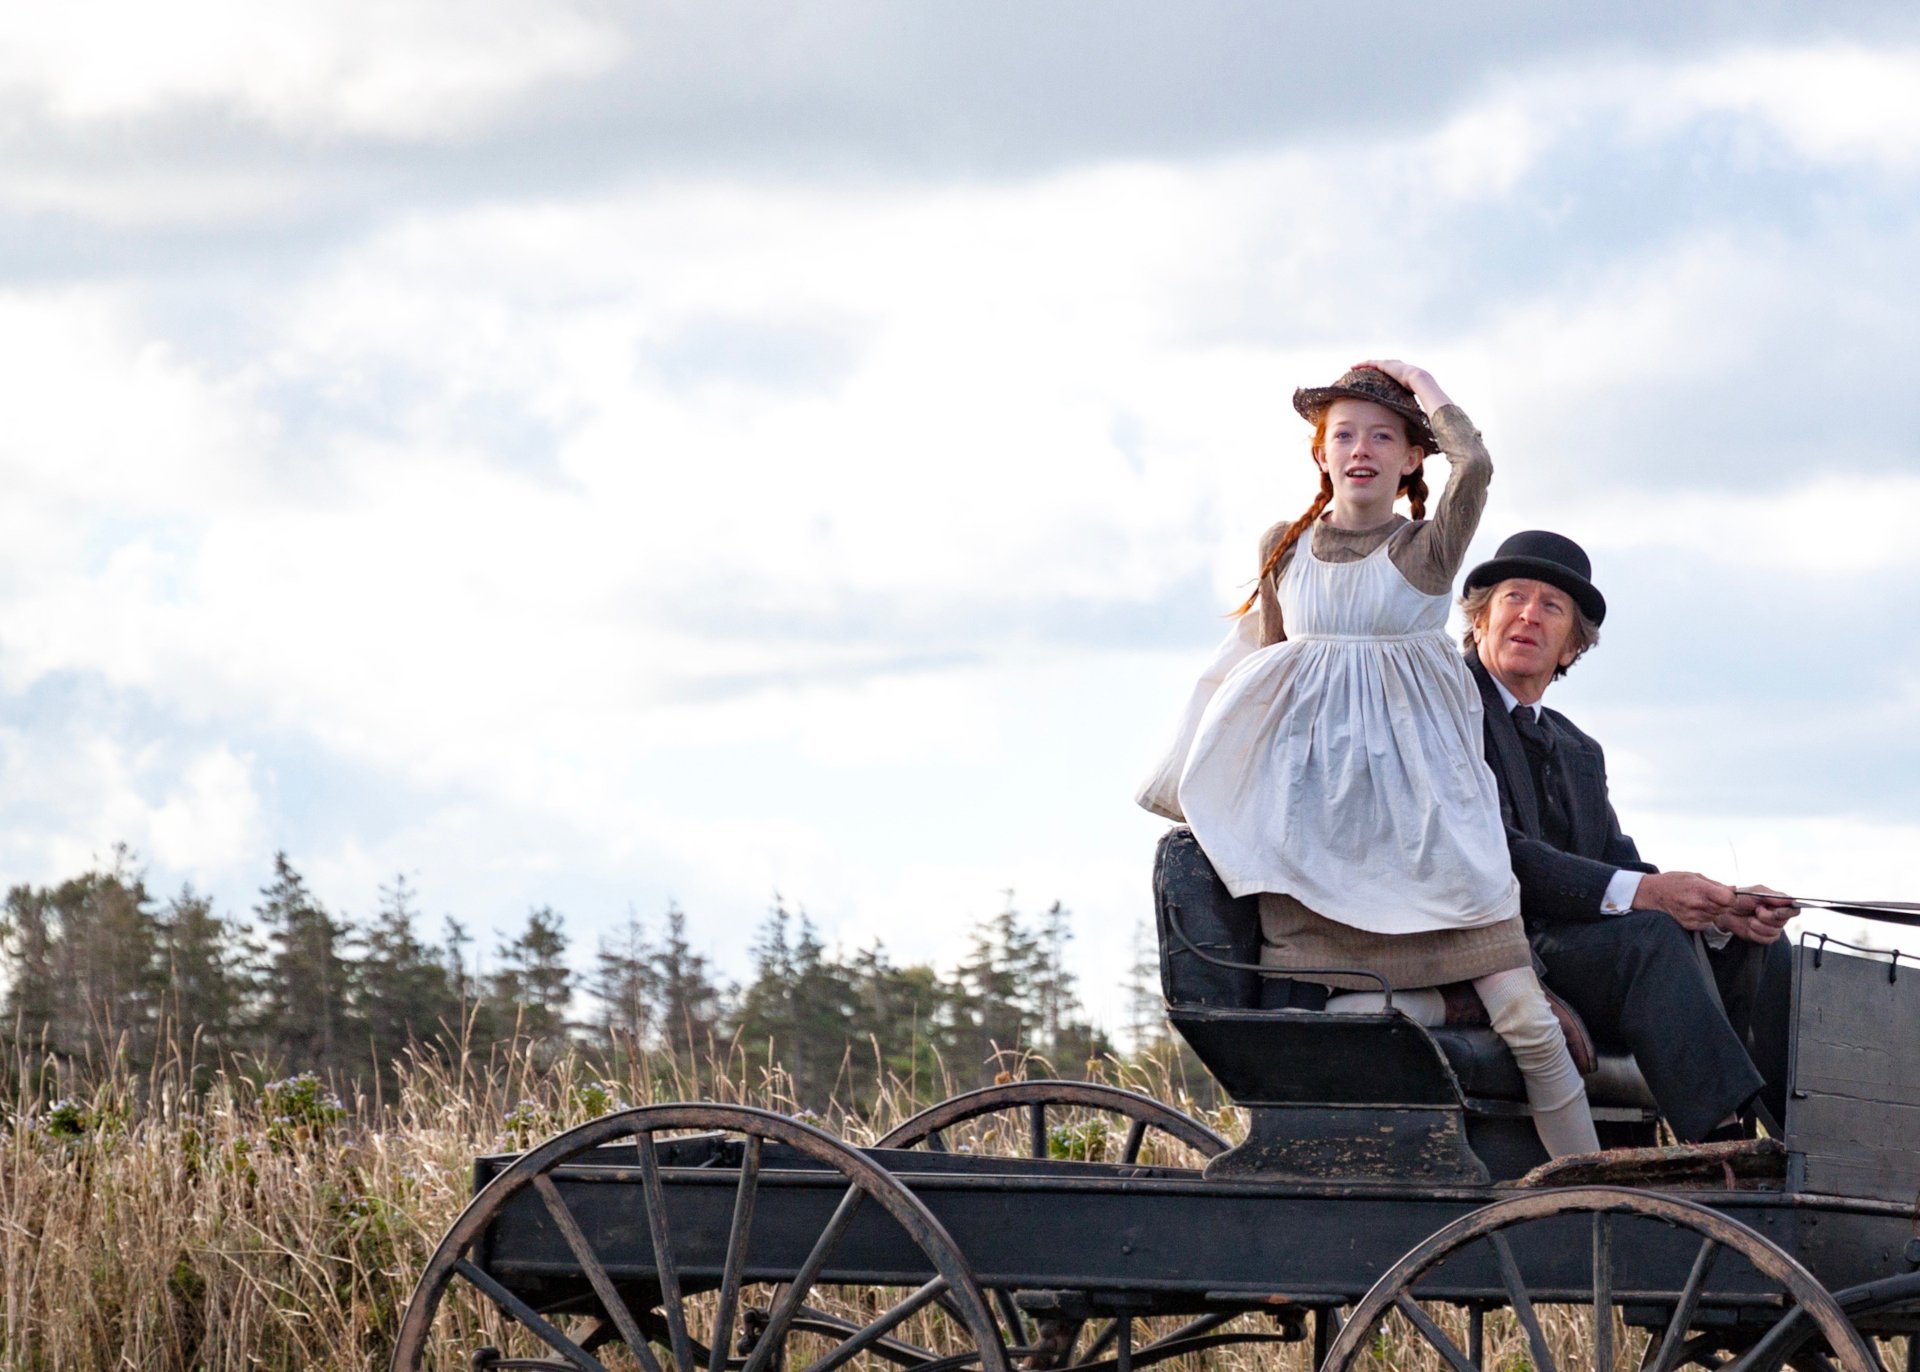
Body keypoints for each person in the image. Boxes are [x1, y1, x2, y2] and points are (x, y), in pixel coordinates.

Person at [1139, 361, 1600, 1158]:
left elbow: (1476, 465)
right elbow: (1267, 676)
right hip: (1323, 830)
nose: (1361, 450)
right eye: (1344, 434)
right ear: (1321, 453)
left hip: (1428, 827)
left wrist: (1421, 383)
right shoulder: (1284, 548)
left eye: (1384, 437)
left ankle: (1592, 1188)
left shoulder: (1424, 550)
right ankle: (1435, 1017)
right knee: (1339, 1019)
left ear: (1412, 458)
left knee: (1529, 1021)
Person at [1458, 530, 1794, 1142]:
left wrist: (1721, 910)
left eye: (1552, 607)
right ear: (1480, 619)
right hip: (1505, 949)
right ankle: (1723, 1147)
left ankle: (1797, 1139)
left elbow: (1619, 862)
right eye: (1514, 597)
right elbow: (1497, 854)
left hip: (1584, 952)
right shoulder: (1446, 713)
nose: (1529, 615)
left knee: (1762, 944)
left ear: (1571, 647)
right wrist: (1650, 896)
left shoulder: (1579, 748)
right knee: (1651, 937)